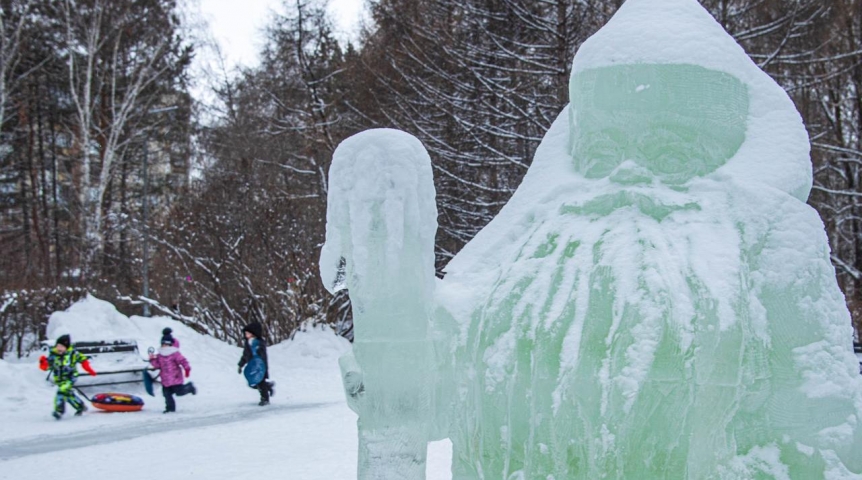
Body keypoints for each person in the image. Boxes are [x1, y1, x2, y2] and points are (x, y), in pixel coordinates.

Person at [39, 334, 97, 420]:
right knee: (68, 394)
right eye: (58, 346)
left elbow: (83, 359)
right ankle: (80, 406)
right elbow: (47, 367)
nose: (59, 348)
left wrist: (88, 369)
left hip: (70, 377)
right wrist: (43, 363)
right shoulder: (53, 356)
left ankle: (59, 411)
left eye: (62, 347)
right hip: (59, 379)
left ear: (66, 347)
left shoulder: (73, 354)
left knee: (61, 391)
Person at [149, 331, 196, 413]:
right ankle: (170, 408)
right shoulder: (160, 355)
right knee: (166, 395)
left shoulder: (175, 354)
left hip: (175, 378)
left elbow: (183, 361)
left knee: (179, 392)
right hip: (165, 379)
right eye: (163, 344)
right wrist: (152, 359)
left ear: (170, 344)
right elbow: (157, 365)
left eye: (166, 344)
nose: (164, 346)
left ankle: (189, 387)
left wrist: (187, 369)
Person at [238, 322, 275, 406]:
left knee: (260, 382)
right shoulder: (248, 343)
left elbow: (261, 355)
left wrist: (258, 352)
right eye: (245, 333)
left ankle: (265, 399)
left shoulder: (259, 343)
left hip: (260, 367)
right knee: (252, 383)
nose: (246, 335)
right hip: (252, 367)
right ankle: (268, 386)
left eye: (248, 333)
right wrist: (240, 364)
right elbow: (245, 355)